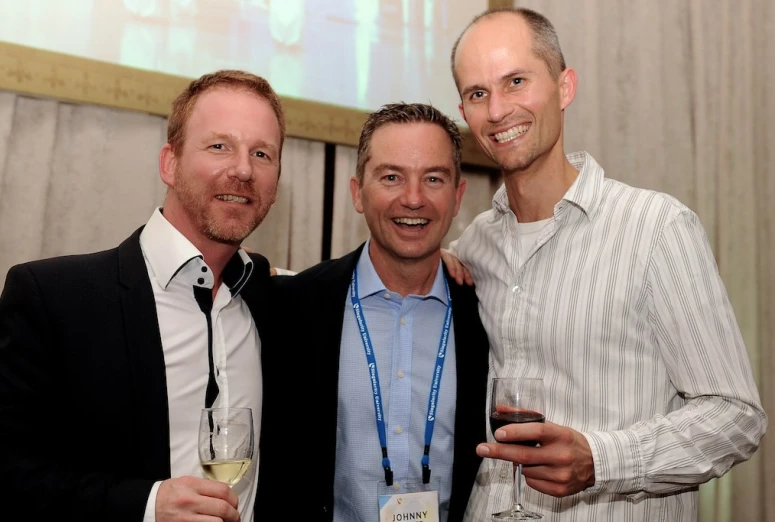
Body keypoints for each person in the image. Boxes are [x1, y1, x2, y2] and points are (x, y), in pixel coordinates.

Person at [443, 7, 768, 521]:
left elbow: (736, 416)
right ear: (464, 111)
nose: (498, 109)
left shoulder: (656, 228)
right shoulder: (473, 245)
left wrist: (603, 459)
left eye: (517, 81)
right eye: (478, 93)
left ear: (564, 87)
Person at [0, 69, 285, 522]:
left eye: (262, 153)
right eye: (219, 146)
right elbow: (4, 471)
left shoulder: (273, 298)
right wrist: (146, 506)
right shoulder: (53, 299)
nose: (243, 169)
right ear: (169, 162)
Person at [254, 103, 490, 522]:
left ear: (457, 197)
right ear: (357, 192)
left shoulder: (488, 313)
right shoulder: (293, 305)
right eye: (391, 177)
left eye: (433, 178)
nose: (413, 198)